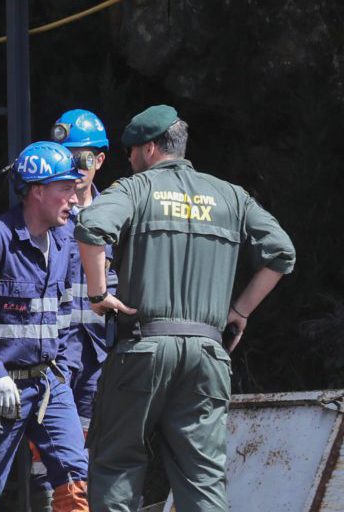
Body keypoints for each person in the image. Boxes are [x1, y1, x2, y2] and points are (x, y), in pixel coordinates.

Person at [75, 105, 296, 511]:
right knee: (203, 478)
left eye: (131, 150)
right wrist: (241, 310)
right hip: (208, 354)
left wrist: (96, 294)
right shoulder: (231, 196)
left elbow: (91, 228)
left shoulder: (135, 189)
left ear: (150, 149)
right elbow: (282, 253)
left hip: (142, 350)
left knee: (117, 466)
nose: (128, 158)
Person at [0, 142, 89, 512]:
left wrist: (66, 371)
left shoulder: (64, 241)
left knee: (75, 476)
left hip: (49, 383)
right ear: (37, 190)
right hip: (0, 387)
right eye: (66, 189)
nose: (74, 199)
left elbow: (70, 315)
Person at [28, 109, 119, 510]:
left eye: (81, 158)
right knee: (47, 454)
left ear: (100, 160)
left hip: (100, 350)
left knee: (84, 451)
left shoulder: (117, 213)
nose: (74, 168)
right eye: (65, 158)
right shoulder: (49, 213)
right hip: (56, 349)